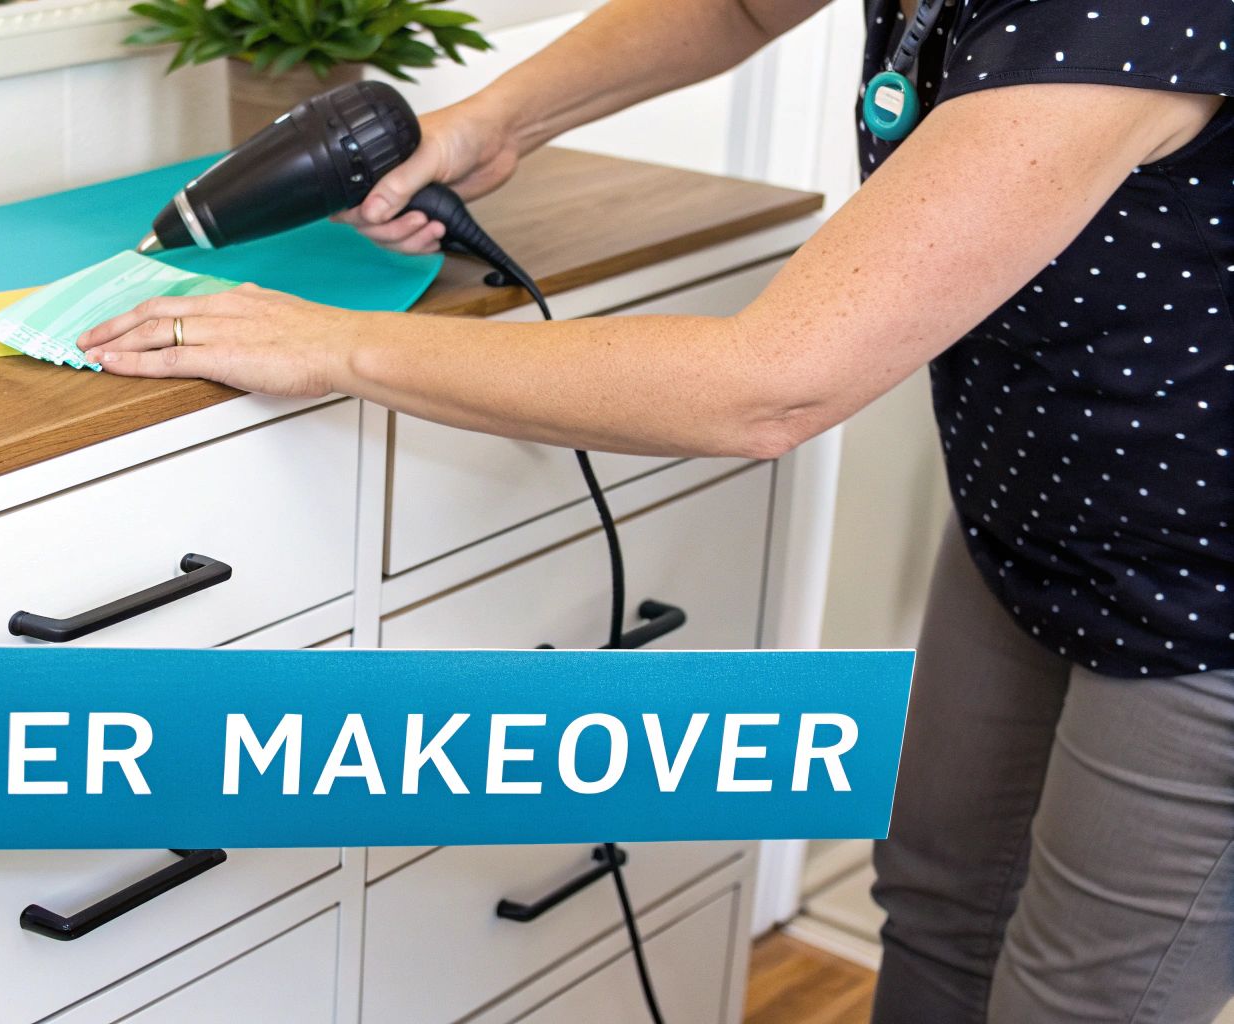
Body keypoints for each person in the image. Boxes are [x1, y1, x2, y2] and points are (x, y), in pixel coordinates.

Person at [78, 1, 1233, 1020]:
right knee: (939, 905)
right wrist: (498, 120)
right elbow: (737, 7)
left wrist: (333, 345)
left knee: (1080, 997)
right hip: (1037, 495)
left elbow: (768, 383)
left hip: (1204, 574)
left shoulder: (1123, 18)